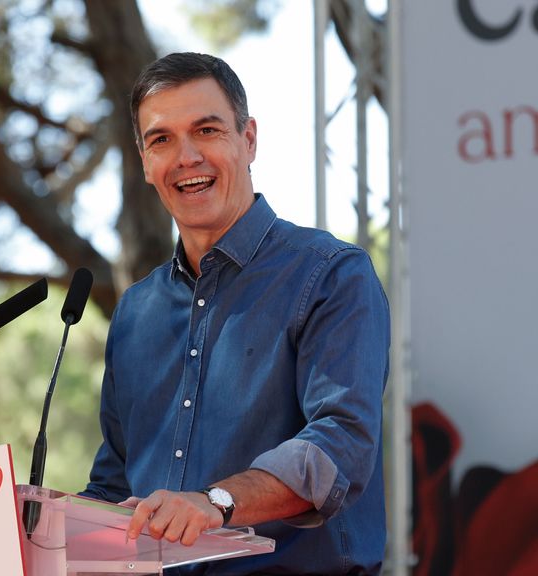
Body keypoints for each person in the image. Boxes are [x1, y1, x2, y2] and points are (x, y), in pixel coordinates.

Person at [81, 52, 390, 575]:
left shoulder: (332, 275)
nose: (186, 157)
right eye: (161, 139)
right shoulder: (136, 311)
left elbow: (339, 442)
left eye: (206, 130)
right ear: (144, 163)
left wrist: (215, 502)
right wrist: (32, 524)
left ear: (248, 140)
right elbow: (115, 484)